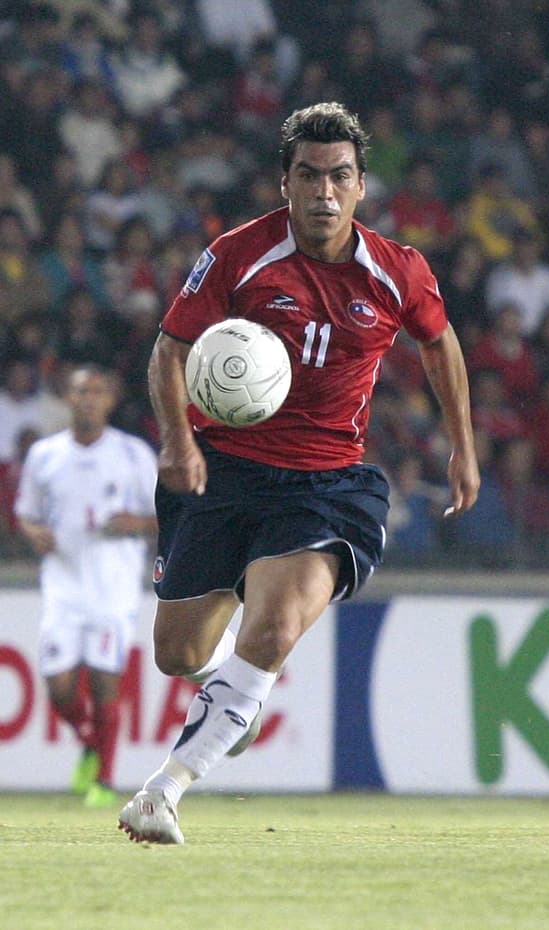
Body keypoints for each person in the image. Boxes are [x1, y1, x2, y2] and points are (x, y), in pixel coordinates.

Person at [117, 102, 479, 844]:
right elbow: (169, 350)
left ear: (361, 187)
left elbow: (440, 346)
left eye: (339, 177)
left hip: (327, 485)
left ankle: (165, 788)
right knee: (177, 653)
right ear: (284, 184)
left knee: (277, 624)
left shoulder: (398, 270)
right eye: (308, 176)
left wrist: (463, 445)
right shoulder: (236, 254)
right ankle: (230, 698)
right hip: (221, 471)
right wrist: (179, 441)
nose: (323, 192)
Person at [14, 365, 158, 808]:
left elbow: (165, 515)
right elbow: (25, 512)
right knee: (58, 687)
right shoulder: (45, 454)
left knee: (103, 682)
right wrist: (32, 531)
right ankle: (93, 744)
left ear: (110, 399)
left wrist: (136, 522)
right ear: (67, 398)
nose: (89, 399)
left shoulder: (133, 454)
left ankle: (104, 781)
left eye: (97, 391)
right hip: (62, 582)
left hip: (112, 585)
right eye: (80, 391)